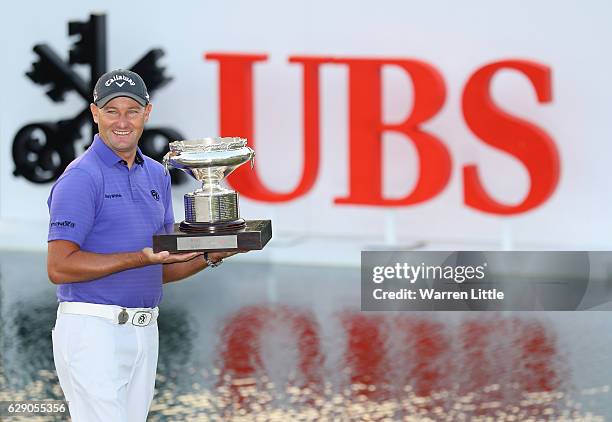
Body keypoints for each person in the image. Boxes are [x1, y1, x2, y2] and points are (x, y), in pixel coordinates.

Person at [47, 69, 234, 422]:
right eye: (111, 110)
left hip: (145, 331)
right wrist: (137, 258)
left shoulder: (156, 174)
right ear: (94, 113)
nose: (122, 121)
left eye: (131, 110)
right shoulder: (81, 178)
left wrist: (210, 254)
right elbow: (59, 267)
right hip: (93, 331)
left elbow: (160, 267)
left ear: (147, 113)